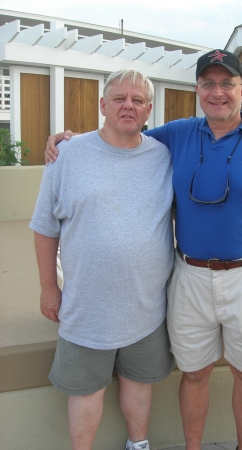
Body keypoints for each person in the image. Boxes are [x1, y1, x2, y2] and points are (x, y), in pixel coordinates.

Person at [45, 50, 242, 450]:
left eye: (226, 84)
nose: (217, 92)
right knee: (195, 373)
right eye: (208, 84)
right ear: (198, 90)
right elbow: (120, 134)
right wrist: (69, 139)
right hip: (189, 277)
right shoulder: (177, 135)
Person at [31, 69, 175, 450]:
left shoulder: (164, 156)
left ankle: (138, 444)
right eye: (119, 98)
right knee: (84, 389)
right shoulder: (67, 155)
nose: (128, 105)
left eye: (138, 100)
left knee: (139, 382)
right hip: (85, 306)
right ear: (102, 105)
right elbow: (45, 227)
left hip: (147, 306)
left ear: (148, 110)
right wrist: (49, 288)